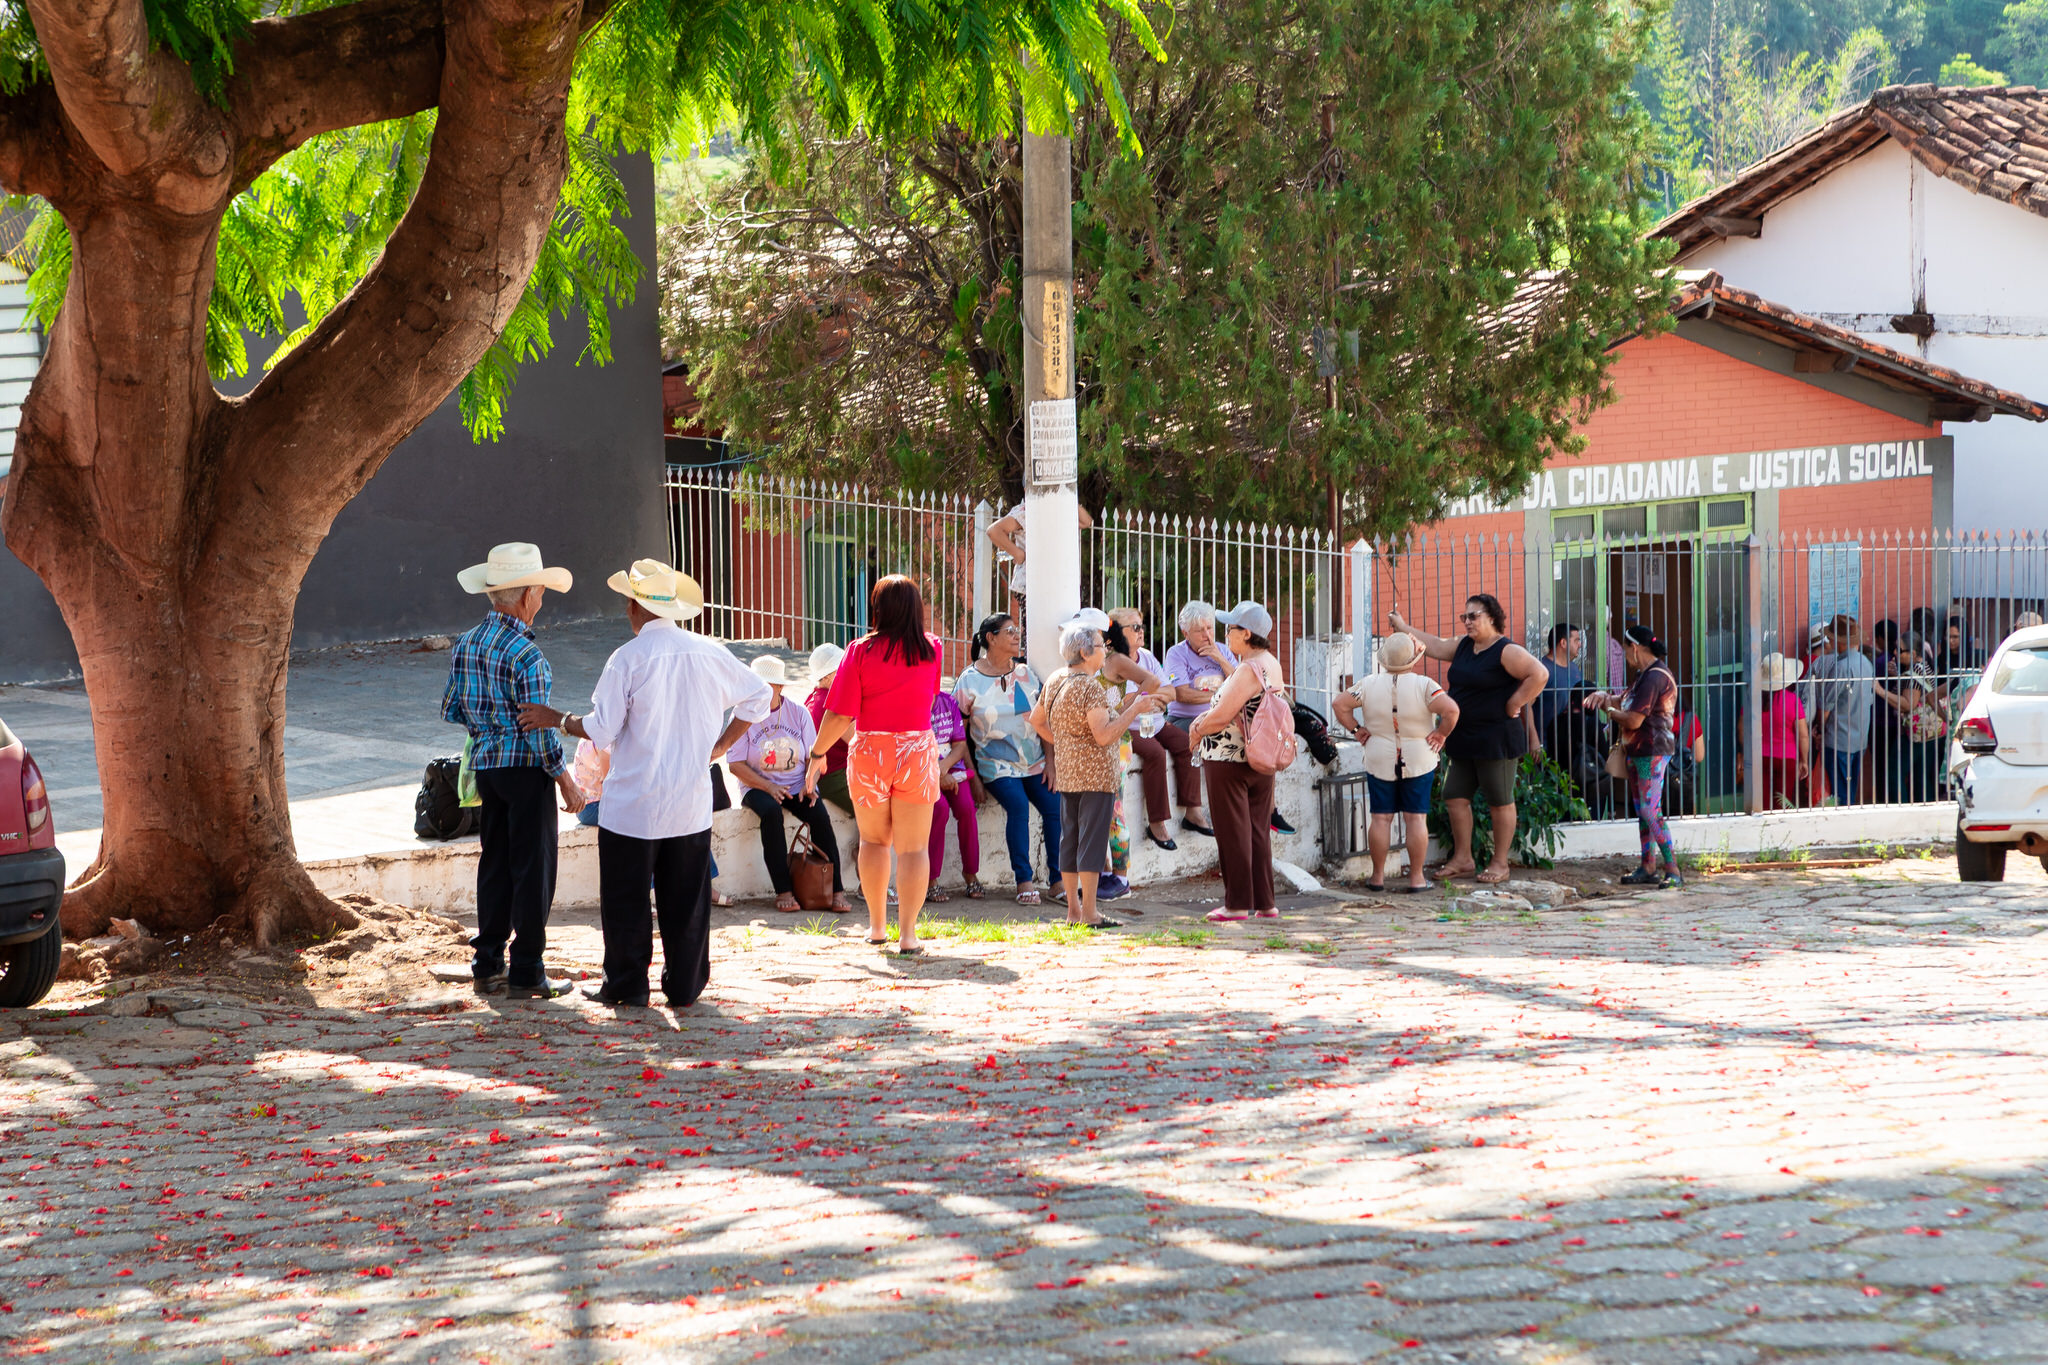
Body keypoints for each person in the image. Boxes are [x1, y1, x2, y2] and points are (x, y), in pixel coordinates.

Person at [518, 560, 771, 1008]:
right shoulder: (709, 652)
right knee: (686, 903)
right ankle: (685, 986)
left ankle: (627, 984)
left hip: (633, 806)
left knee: (626, 901)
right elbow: (760, 696)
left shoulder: (628, 658)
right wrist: (719, 745)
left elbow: (601, 729)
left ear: (636, 607)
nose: (626, 611)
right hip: (688, 804)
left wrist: (559, 718)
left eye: (627, 603)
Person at [443, 542, 584, 999]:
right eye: (540, 592)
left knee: (496, 865)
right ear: (526, 596)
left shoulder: (466, 643)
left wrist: (488, 726)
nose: (541, 600)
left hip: (488, 767)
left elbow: (451, 708)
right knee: (532, 870)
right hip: (525, 772)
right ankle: (526, 969)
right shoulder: (527, 656)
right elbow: (540, 733)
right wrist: (566, 780)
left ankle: (487, 964)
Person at [808, 575, 945, 956]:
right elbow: (930, 696)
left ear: (878, 608)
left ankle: (877, 927)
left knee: (873, 842)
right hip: (916, 750)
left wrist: (817, 754)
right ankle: (909, 936)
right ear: (916, 609)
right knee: (914, 849)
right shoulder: (932, 648)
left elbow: (839, 714)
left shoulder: (860, 650)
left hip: (871, 750)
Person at [1389, 593, 1545, 885]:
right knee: (1455, 796)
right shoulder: (1463, 646)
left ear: (1492, 617)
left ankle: (1500, 863)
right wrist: (1402, 627)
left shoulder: (1505, 650)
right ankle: (1463, 859)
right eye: (1465, 617)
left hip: (1496, 738)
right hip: (1463, 736)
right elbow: (1434, 645)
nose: (1467, 621)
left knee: (1500, 800)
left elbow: (1539, 674)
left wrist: (1515, 703)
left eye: (1473, 616)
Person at [1032, 623, 1157, 928]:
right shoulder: (1090, 687)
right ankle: (1089, 913)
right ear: (1085, 652)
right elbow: (1104, 735)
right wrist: (1135, 709)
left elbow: (1037, 720)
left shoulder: (1056, 679)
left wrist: (1066, 743)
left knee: (1071, 840)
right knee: (1091, 843)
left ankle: (1074, 912)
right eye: (1102, 646)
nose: (1106, 651)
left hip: (1069, 772)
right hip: (1096, 775)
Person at [1333, 632, 1459, 893]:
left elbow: (1339, 704)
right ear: (1412, 659)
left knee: (1380, 818)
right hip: (1419, 758)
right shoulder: (1425, 685)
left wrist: (1356, 729)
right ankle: (1416, 879)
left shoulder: (1368, 684)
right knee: (1416, 819)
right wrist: (1441, 734)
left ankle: (1377, 877)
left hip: (1379, 756)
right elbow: (1451, 710)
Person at [728, 655, 852, 915]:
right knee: (771, 813)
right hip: (756, 786)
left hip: (796, 784)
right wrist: (767, 786)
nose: (759, 692)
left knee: (818, 814)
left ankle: (835, 890)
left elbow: (813, 758)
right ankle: (783, 890)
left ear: (779, 687)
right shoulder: (742, 715)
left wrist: (810, 783)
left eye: (766, 686)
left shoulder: (798, 713)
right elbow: (735, 765)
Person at [1189, 601, 1287, 922]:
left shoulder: (1248, 669)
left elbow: (1222, 715)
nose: (1225, 635)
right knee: (1257, 830)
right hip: (1260, 756)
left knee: (1233, 832)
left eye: (1230, 629)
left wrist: (1196, 729)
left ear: (1246, 634)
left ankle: (1236, 904)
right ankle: (1265, 903)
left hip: (1229, 757)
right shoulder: (1270, 663)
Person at [954, 613, 1061, 904]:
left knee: (1055, 806)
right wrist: (972, 776)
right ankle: (1024, 882)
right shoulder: (969, 680)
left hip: (1034, 761)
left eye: (1017, 630)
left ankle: (1058, 881)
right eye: (1009, 631)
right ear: (991, 638)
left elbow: (1043, 721)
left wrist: (1050, 763)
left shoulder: (1027, 674)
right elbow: (957, 732)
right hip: (994, 764)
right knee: (1018, 806)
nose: (1017, 635)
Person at [572, 739, 730, 906]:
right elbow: (611, 787)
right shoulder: (605, 738)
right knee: (644, 822)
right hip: (593, 805)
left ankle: (704, 884)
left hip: (618, 800)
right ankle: (644, 896)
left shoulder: (624, 735)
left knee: (682, 814)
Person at [1582, 625, 1682, 889]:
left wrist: (1609, 712)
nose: (1625, 656)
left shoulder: (1654, 677)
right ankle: (1648, 867)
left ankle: (1673, 869)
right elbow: (1626, 701)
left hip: (1651, 752)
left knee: (1649, 809)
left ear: (1634, 648)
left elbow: (1634, 719)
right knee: (1643, 810)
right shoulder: (1645, 675)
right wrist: (1605, 697)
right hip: (1641, 751)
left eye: (1625, 649)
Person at [1108, 608, 1202, 850]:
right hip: (1130, 726)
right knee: (1155, 753)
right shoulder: (1111, 663)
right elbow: (1118, 705)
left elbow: (1171, 691)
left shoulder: (1147, 657)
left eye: (1141, 626)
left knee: (1187, 742)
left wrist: (1149, 698)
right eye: (1135, 627)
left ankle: (1193, 812)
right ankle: (1157, 823)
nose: (1141, 631)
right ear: (1118, 632)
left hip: (1156, 721)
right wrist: (1146, 699)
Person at [1161, 600, 1236, 835]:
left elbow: (1240, 683)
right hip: (1185, 719)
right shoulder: (1176, 654)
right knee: (1207, 739)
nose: (1207, 635)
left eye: (1210, 628)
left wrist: (1220, 659)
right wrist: (1220, 696)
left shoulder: (1222, 650)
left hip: (1220, 717)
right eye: (1199, 630)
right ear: (1185, 633)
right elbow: (1182, 694)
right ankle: (1194, 812)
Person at [987, 502, 1096, 622]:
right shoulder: (1027, 510)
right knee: (1035, 627)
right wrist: (1018, 554)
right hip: (1032, 583)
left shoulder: (1060, 508)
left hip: (1056, 583)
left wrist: (1070, 498)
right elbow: (994, 531)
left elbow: (1086, 522)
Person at [1873, 627, 1944, 803]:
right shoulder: (1922, 667)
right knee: (1921, 776)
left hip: (1915, 733)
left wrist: (1880, 690)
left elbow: (1908, 703)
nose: (1895, 653)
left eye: (1900, 650)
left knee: (1894, 773)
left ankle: (1902, 809)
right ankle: (1924, 810)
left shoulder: (1914, 673)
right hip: (1930, 732)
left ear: (1912, 653)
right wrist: (1897, 676)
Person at [926, 680, 982, 902]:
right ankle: (931, 879)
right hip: (923, 771)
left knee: (967, 808)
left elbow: (959, 744)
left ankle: (970, 873)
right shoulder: (911, 703)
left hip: (951, 768)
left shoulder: (948, 702)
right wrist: (937, 774)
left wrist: (944, 767)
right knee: (939, 809)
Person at [1813, 615, 1873, 807]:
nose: (1829, 641)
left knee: (1838, 793)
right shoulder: (1866, 663)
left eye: (1831, 638)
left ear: (1839, 641)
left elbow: (1826, 707)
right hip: (1860, 739)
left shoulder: (1840, 668)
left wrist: (1819, 730)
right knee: (1850, 790)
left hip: (1838, 740)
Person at [802, 642, 853, 815]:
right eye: (841, 669)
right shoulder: (832, 704)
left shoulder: (814, 697)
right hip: (835, 776)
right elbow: (859, 739)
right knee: (879, 812)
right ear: (826, 677)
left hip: (831, 774)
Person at [1754, 652, 1811, 809]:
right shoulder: (1793, 701)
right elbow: (1803, 736)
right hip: (1787, 759)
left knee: (1762, 803)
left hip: (1760, 757)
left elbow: (1742, 729)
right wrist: (1804, 760)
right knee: (1782, 802)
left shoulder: (1753, 700)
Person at [1533, 622, 1584, 740]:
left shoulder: (1574, 668)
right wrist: (1533, 738)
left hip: (1571, 739)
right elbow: (1526, 706)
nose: (1580, 645)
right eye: (1576, 640)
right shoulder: (1542, 669)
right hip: (1546, 741)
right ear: (1563, 643)